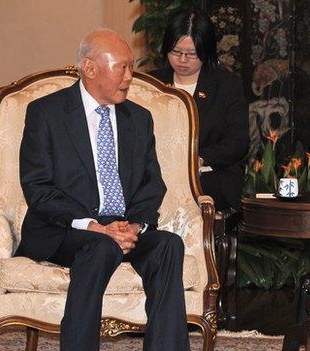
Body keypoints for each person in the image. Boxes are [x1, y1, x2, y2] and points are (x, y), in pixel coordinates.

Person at [16, 29, 189, 351]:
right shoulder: (47, 113)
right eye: (121, 67)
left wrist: (135, 225)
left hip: (123, 224)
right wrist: (95, 227)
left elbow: (152, 183)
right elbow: (37, 187)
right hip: (67, 228)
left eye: (131, 66)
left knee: (168, 245)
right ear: (90, 68)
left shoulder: (138, 118)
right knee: (100, 246)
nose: (129, 76)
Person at [151, 9, 249, 213]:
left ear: (207, 51)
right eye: (176, 52)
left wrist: (199, 158)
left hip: (209, 176)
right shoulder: (151, 84)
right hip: (158, 174)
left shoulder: (227, 84)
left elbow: (237, 143)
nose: (182, 60)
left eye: (192, 54)